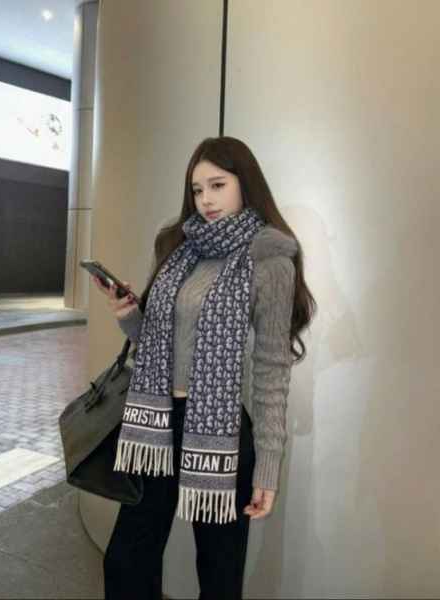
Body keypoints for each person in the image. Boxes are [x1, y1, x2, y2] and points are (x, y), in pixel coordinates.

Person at [91, 136, 316, 600]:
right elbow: (158, 344)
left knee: (219, 573)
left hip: (222, 434)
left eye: (218, 185)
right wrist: (128, 316)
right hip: (157, 426)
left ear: (245, 184)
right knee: (127, 561)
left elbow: (272, 370)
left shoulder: (269, 260)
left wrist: (267, 468)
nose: (206, 200)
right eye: (197, 189)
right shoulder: (179, 248)